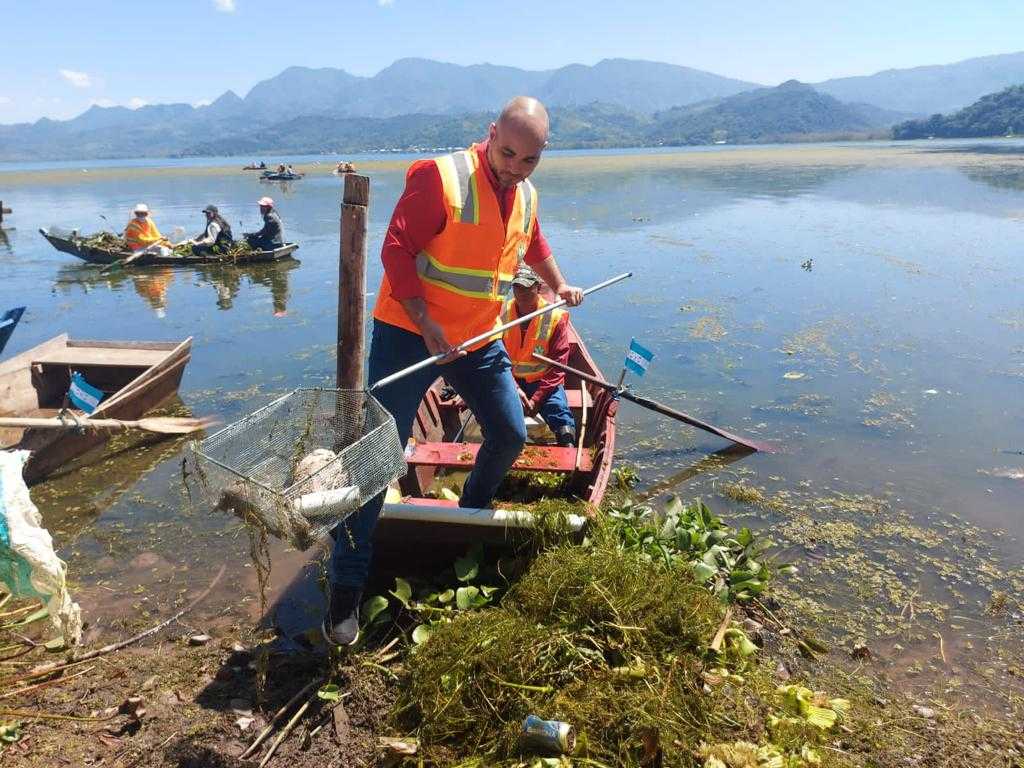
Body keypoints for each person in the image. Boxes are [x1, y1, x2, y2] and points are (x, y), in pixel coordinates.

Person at [323, 96, 583, 646]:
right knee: (375, 458)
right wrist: (427, 323)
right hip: (408, 334)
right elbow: (396, 252)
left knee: (510, 432)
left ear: (541, 156)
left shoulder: (525, 194)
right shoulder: (439, 178)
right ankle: (344, 593)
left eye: (528, 160)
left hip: (478, 338)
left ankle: (469, 517)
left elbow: (533, 243)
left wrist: (558, 283)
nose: (513, 167)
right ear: (491, 134)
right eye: (507, 153)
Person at [502, 265, 576, 447]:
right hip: (509, 379)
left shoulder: (554, 317)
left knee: (558, 410)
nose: (522, 292)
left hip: (543, 381)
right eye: (517, 287)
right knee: (494, 411)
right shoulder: (501, 314)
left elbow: (559, 367)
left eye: (527, 287)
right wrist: (513, 386)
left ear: (537, 287)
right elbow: (496, 357)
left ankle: (567, 446)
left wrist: (537, 399)